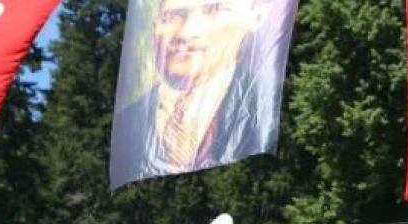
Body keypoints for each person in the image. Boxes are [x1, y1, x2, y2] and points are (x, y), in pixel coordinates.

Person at [110, 0, 284, 187]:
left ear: (255, 18)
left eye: (213, 10)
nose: (185, 32)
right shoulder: (128, 121)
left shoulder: (267, 107)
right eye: (170, 17)